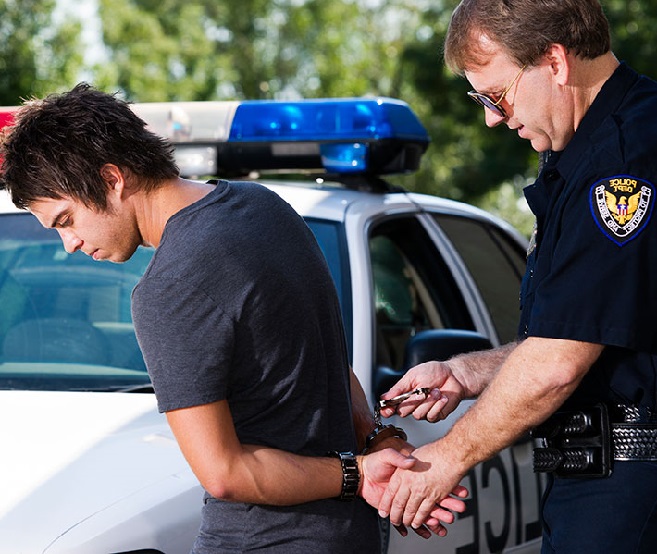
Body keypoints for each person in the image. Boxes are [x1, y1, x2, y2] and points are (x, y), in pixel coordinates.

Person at [0, 84, 467, 553]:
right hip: (349, 537)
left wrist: (361, 473)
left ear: (112, 179)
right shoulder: (264, 207)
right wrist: (376, 438)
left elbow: (224, 474)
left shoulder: (169, 288)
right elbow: (324, 363)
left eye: (66, 220)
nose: (71, 244)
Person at [373, 0, 657, 552]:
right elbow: (592, 331)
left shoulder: (621, 164)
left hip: (631, 488)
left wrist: (445, 457)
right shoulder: (595, 149)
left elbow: (558, 363)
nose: (492, 118)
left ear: (555, 62)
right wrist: (466, 372)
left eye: (495, 95)